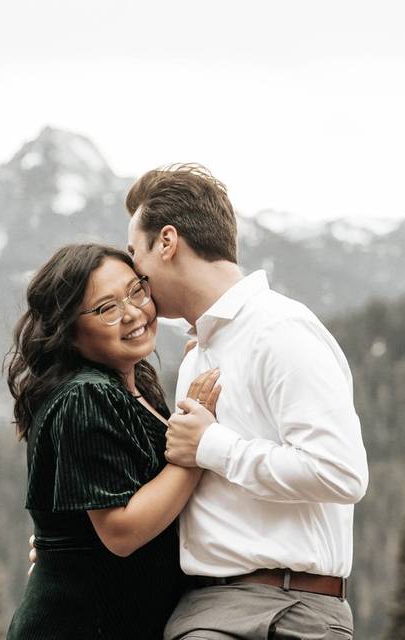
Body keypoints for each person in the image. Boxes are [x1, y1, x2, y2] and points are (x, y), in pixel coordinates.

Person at [124, 164, 370, 640]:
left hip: (289, 612)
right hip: (206, 610)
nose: (136, 276)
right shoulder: (202, 352)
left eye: (136, 254)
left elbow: (341, 472)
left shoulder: (278, 330)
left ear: (167, 242)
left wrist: (214, 446)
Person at [4, 243, 221, 640]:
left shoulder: (132, 388)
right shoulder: (86, 396)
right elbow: (121, 531)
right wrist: (194, 453)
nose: (134, 313)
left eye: (136, 290)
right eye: (107, 308)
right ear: (68, 331)